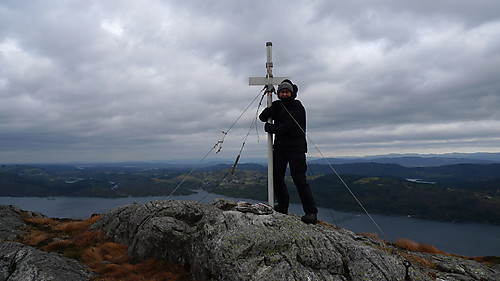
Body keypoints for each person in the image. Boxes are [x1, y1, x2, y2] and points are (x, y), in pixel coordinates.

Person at [259, 79, 318, 224]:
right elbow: (262, 117)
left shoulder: (297, 106)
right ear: (279, 93)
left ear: (292, 93)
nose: (284, 94)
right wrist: (270, 108)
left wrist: (270, 128)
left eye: (287, 92)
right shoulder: (278, 106)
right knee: (277, 177)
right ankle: (283, 206)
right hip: (280, 147)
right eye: (282, 92)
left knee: (299, 178)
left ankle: (311, 212)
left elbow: (289, 127)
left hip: (295, 147)